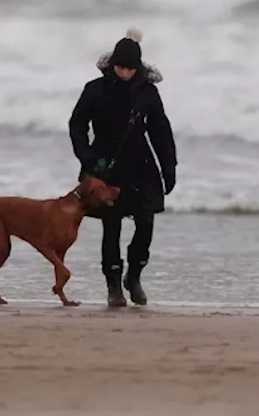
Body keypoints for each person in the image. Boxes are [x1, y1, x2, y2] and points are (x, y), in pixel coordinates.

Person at [68, 28, 177, 308]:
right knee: (111, 226)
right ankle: (114, 285)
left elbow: (160, 131)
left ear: (137, 67)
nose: (124, 73)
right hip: (105, 166)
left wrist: (169, 167)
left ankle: (135, 276)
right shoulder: (95, 89)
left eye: (129, 68)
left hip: (141, 166)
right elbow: (77, 125)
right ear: (112, 64)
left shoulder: (147, 93)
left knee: (146, 223)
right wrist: (88, 158)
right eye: (120, 67)